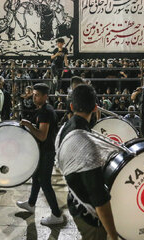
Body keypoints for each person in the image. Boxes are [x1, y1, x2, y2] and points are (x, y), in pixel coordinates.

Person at [55, 84, 118, 240]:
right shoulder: (84, 143)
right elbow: (99, 200)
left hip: (74, 201)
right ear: (95, 107)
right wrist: (112, 234)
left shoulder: (65, 128)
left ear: (71, 106)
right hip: (88, 214)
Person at [16, 83, 64, 225]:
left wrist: (29, 125)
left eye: (37, 95)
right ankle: (31, 204)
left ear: (45, 96)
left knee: (45, 182)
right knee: (36, 177)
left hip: (46, 151)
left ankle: (56, 214)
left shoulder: (45, 112)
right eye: (33, 94)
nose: (34, 97)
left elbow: (42, 136)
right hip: (44, 150)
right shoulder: (45, 109)